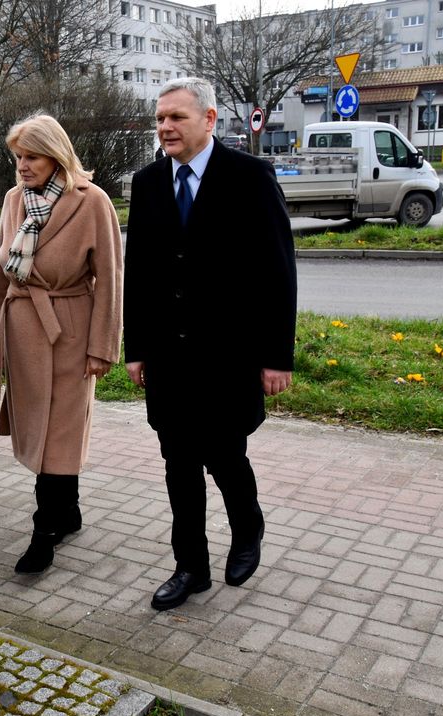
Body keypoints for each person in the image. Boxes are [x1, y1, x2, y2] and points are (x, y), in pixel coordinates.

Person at [123, 77, 296, 611]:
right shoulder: (148, 182)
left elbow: (277, 271)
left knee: (224, 455)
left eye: (176, 117)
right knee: (178, 462)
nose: (166, 127)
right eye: (160, 119)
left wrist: (275, 357)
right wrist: (136, 347)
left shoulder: (249, 177)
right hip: (169, 359)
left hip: (228, 355)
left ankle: (248, 528)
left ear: (210, 120)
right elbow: (141, 272)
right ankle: (190, 567)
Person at [0, 113, 123, 575]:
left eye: (31, 157)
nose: (22, 166)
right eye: (17, 157)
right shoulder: (13, 201)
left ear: (56, 155)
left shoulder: (92, 202)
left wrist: (103, 345)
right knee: (39, 431)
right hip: (24, 327)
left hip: (70, 328)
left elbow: (109, 278)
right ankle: (67, 511)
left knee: (59, 433)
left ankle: (43, 533)